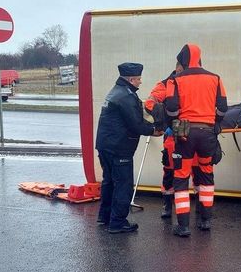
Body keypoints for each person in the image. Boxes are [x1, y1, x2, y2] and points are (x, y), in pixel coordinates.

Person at [165, 44, 227, 236]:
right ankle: (206, 220)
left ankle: (183, 226)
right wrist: (214, 122)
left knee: (181, 176)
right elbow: (223, 108)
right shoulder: (215, 78)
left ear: (183, 60)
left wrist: (175, 124)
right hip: (208, 132)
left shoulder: (175, 80)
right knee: (206, 174)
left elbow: (171, 108)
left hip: (184, 132)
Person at [95, 62, 162, 234]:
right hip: (119, 148)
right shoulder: (127, 96)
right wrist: (154, 130)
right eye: (139, 79)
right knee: (123, 184)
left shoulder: (116, 91)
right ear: (131, 79)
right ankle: (118, 223)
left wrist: (149, 126)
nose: (140, 82)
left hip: (105, 145)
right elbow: (135, 125)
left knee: (109, 182)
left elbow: (131, 120)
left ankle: (105, 217)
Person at [144, 64, 182, 219]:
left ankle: (198, 208)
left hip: (190, 134)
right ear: (178, 69)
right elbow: (150, 103)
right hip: (172, 135)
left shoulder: (191, 82)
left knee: (195, 171)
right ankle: (167, 205)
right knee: (169, 171)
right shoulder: (165, 84)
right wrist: (165, 124)